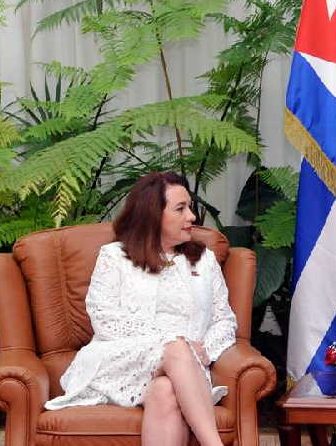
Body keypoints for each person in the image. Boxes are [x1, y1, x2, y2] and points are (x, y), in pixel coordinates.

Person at [45, 171, 237, 446]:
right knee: (174, 348)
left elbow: (224, 320)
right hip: (121, 359)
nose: (192, 217)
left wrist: (205, 349)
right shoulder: (114, 257)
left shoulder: (203, 260)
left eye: (190, 208)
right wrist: (172, 343)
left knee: (164, 390)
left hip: (187, 370)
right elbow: (104, 319)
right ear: (153, 214)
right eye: (180, 209)